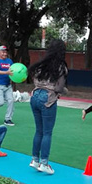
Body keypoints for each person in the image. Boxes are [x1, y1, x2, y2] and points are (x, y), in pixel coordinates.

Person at [28, 40, 68, 175]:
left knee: (38, 130)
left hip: (35, 96)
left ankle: (34, 160)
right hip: (48, 99)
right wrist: (64, 91)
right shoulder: (61, 67)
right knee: (47, 132)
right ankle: (44, 163)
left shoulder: (41, 64)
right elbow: (59, 87)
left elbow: (35, 81)